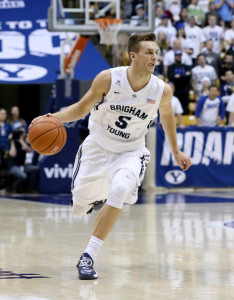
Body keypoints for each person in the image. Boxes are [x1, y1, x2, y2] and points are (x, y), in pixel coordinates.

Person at [30, 33, 192, 280]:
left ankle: (88, 256)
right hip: (98, 148)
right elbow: (81, 109)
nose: (154, 57)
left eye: (156, 52)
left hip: (131, 152)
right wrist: (51, 119)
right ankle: (93, 199)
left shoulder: (162, 90)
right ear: (133, 55)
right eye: (149, 52)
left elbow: (167, 117)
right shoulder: (109, 78)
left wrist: (176, 150)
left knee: (119, 189)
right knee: (79, 206)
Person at [7, 126, 39, 193]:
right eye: (20, 132)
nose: (22, 134)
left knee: (36, 169)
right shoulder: (11, 142)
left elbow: (29, 150)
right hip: (13, 166)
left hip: (22, 165)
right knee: (23, 176)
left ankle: (30, 189)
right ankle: (13, 188)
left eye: (23, 132)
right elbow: (13, 155)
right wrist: (12, 141)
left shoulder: (24, 142)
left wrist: (21, 140)